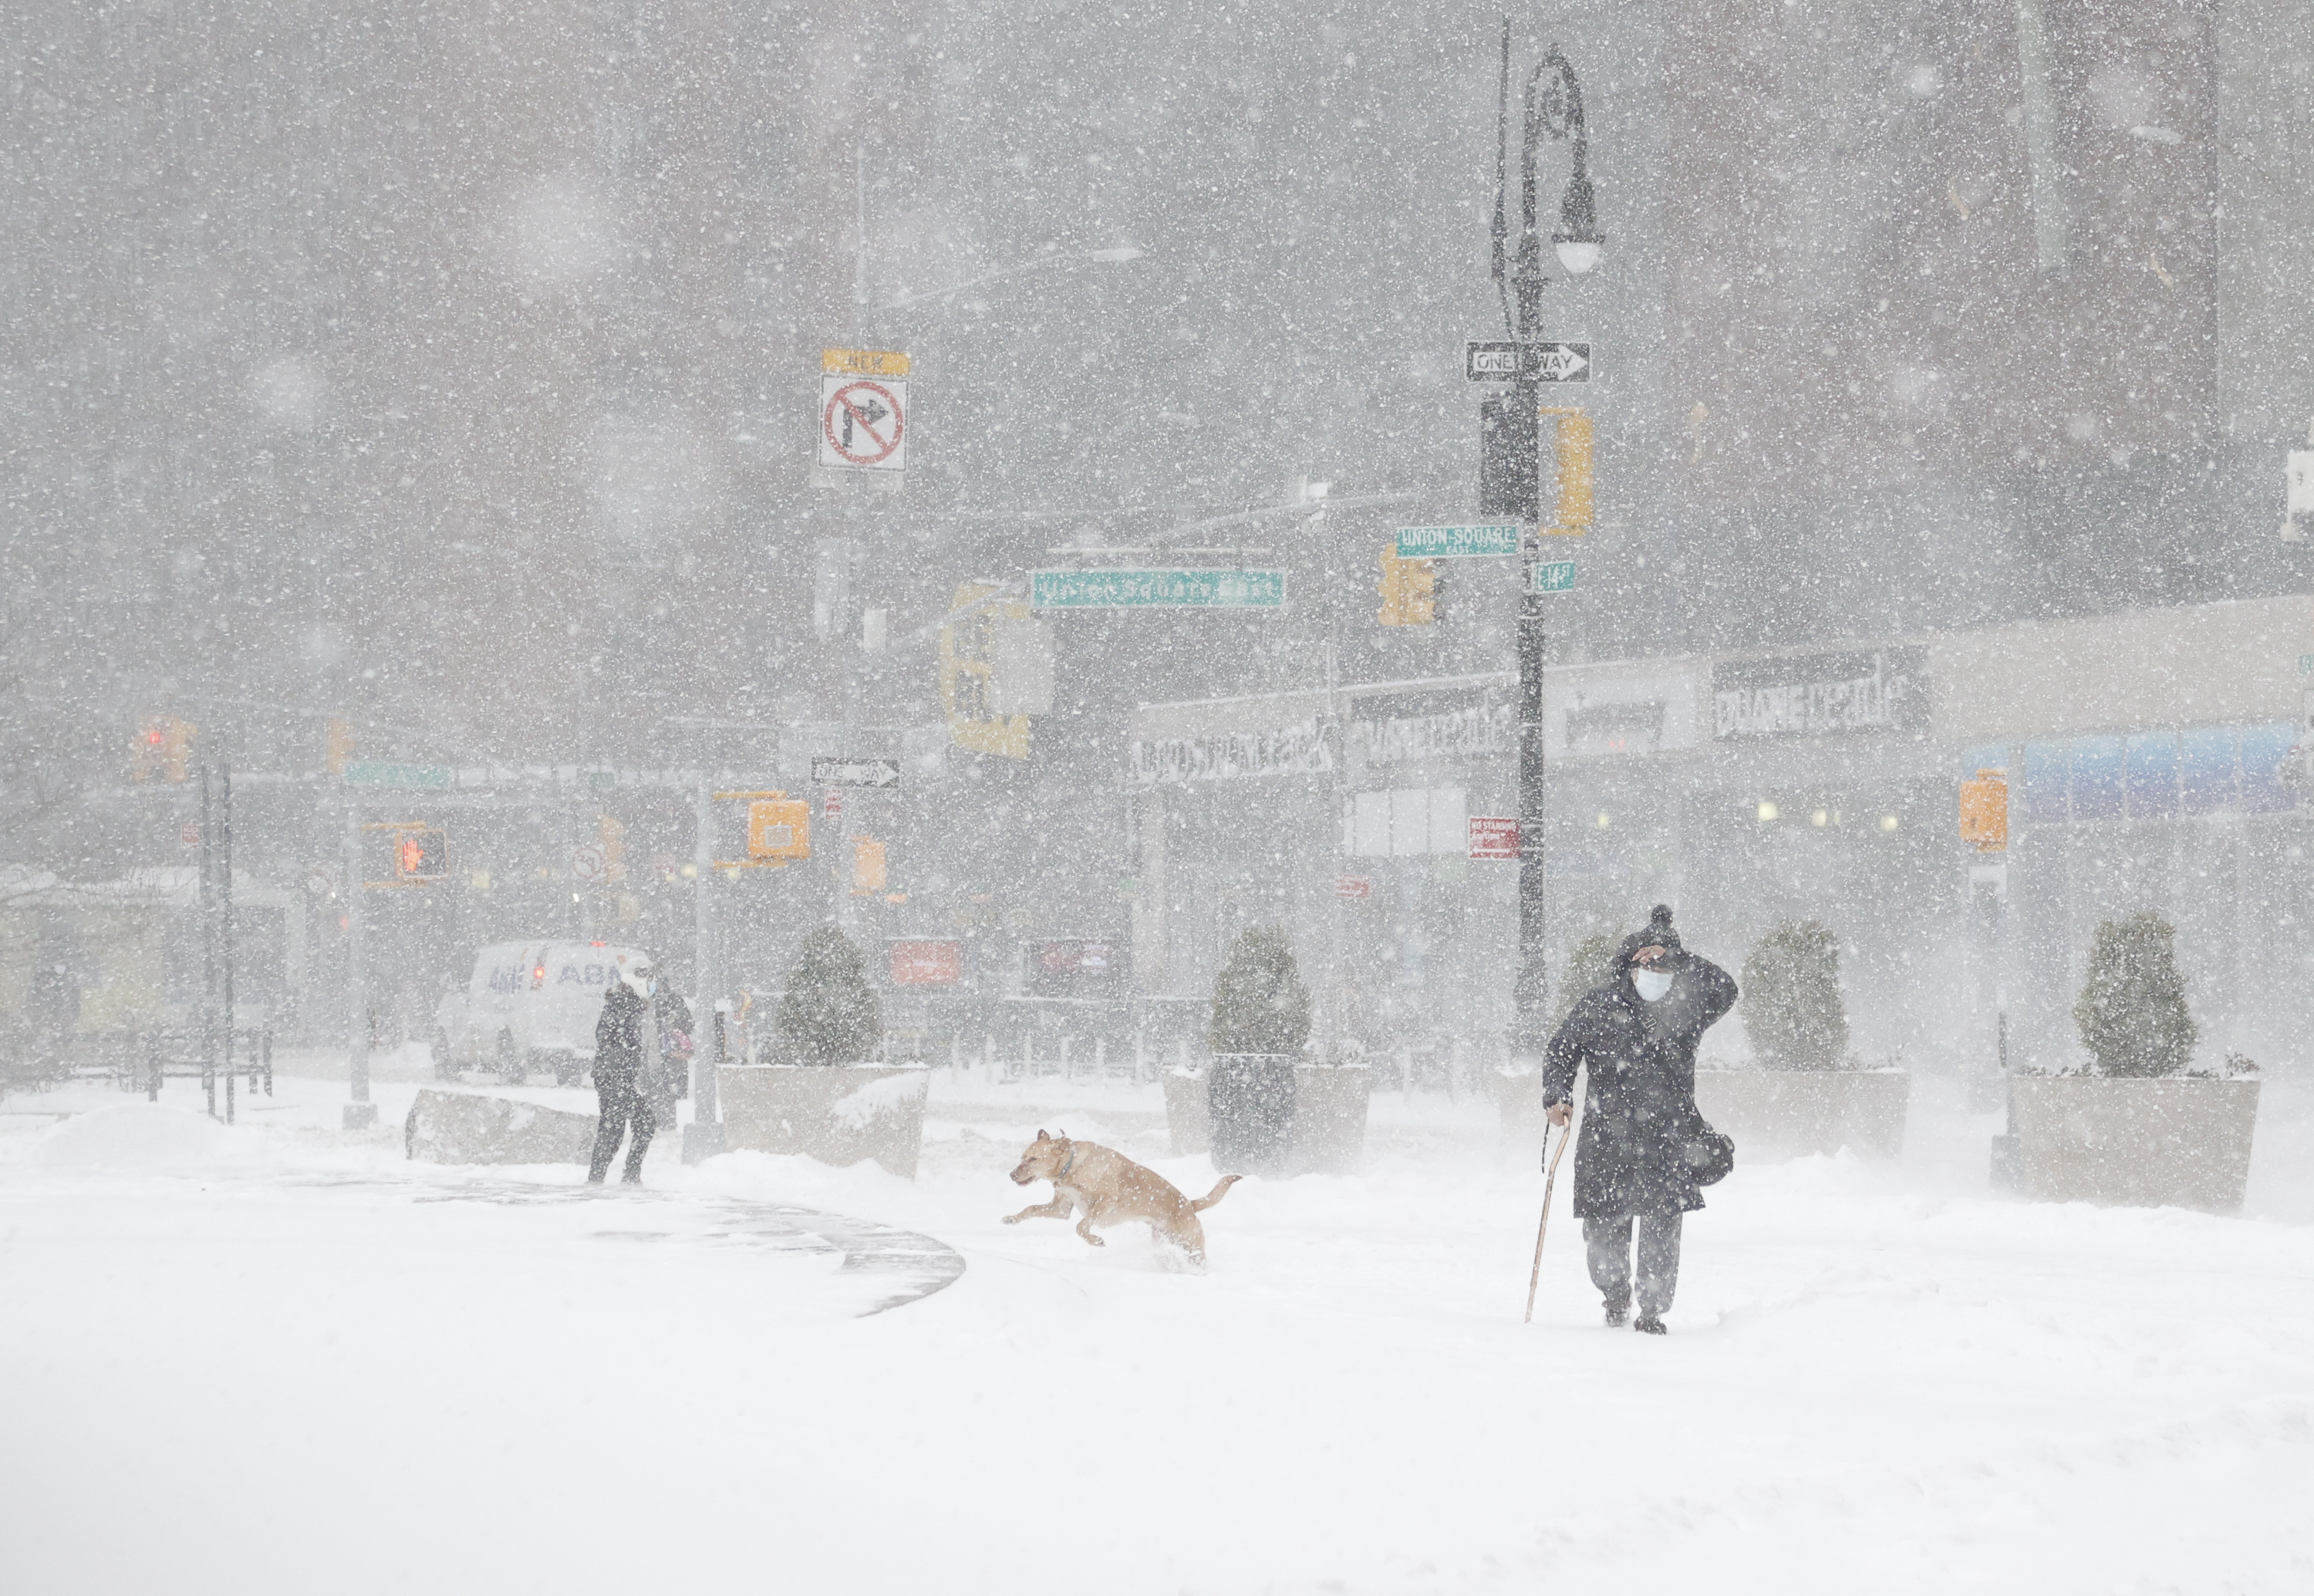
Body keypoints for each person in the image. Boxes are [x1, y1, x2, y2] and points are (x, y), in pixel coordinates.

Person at [1543, 904, 1736, 1335]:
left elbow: (1726, 988)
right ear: (1628, 966)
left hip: (1668, 1137)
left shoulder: (1687, 1008)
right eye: (1647, 963)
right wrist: (1557, 1095)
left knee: (1662, 1230)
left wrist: (1677, 956)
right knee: (1602, 1230)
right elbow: (1561, 1049)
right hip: (1605, 1137)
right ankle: (1614, 1293)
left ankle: (1652, 1310)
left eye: (1664, 967)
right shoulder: (1599, 1004)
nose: (1655, 973)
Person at [588, 968, 655, 1185]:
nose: (652, 987)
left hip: (614, 1077)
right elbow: (608, 1039)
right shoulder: (623, 1004)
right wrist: (620, 1072)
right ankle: (628, 1176)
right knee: (641, 1123)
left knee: (613, 1129)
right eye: (649, 982)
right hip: (614, 1078)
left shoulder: (626, 1004)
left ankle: (601, 1178)